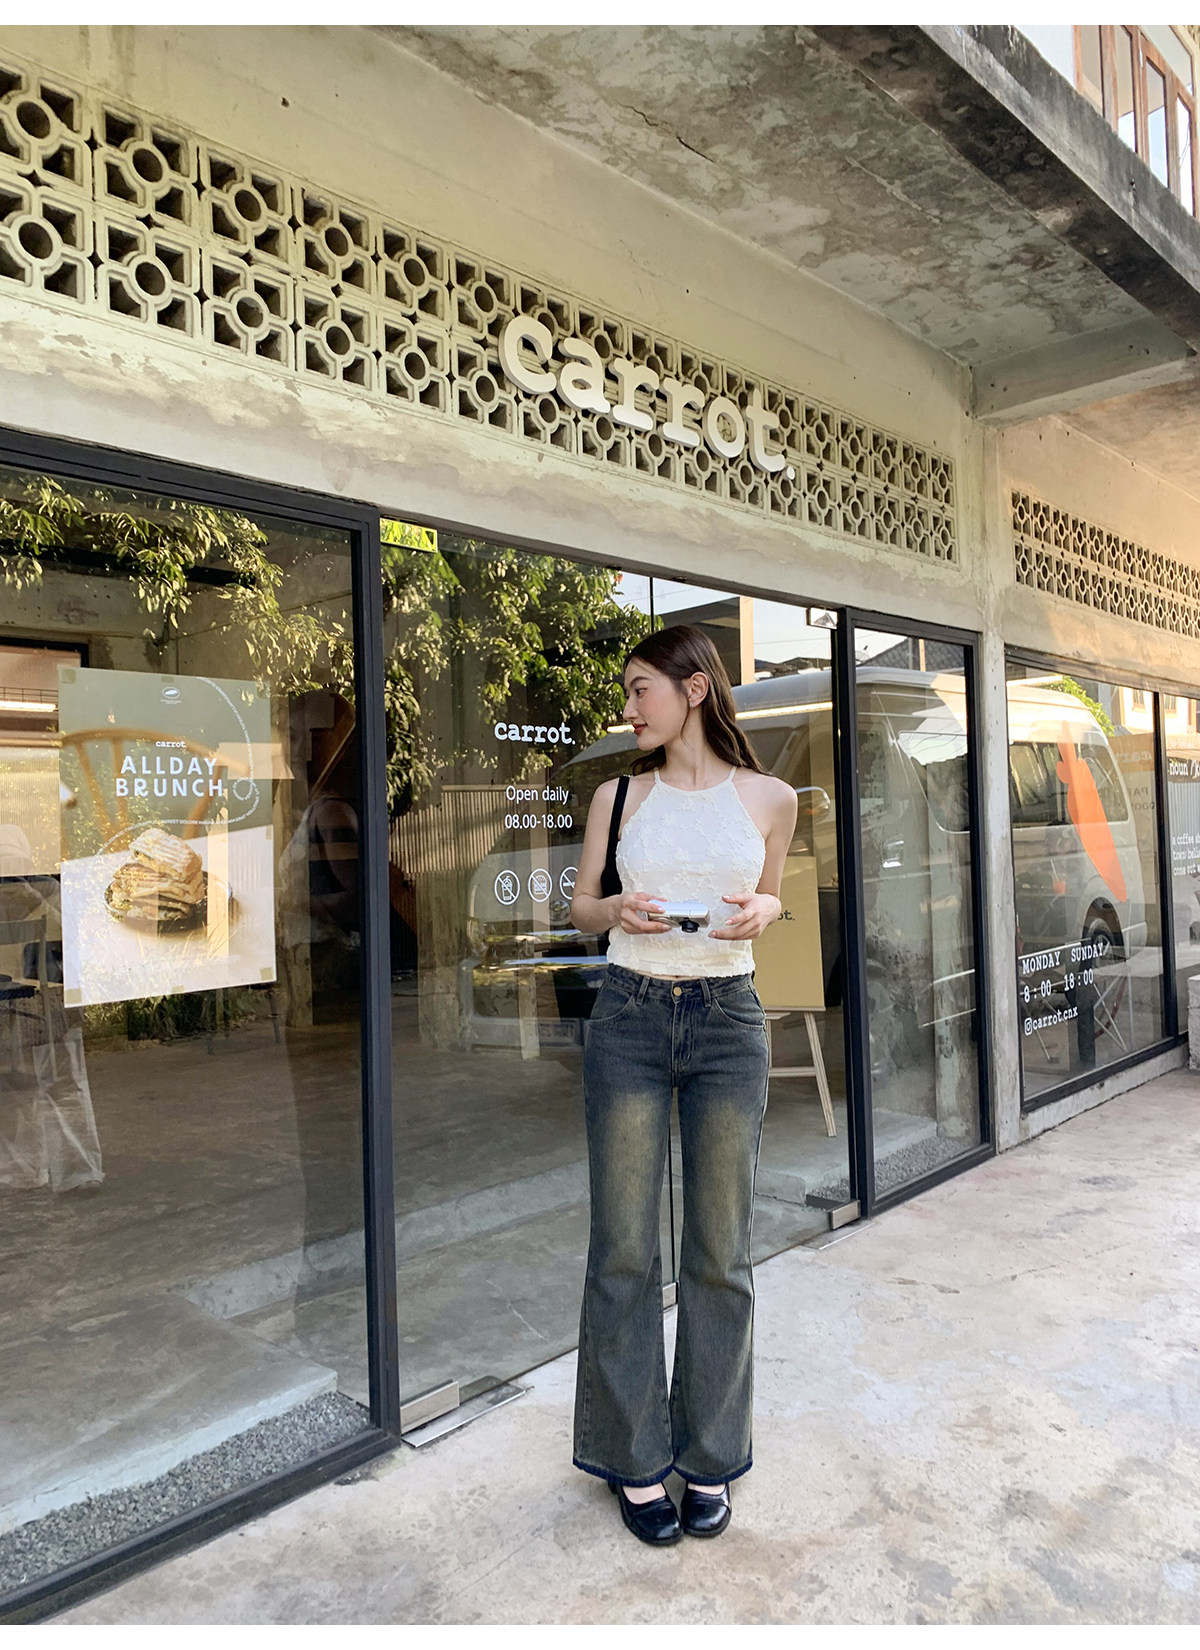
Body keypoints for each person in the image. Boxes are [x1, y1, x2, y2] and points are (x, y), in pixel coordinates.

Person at [569, 623, 798, 1545]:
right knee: (625, 1249)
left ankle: (710, 1455)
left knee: (719, 1249)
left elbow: (770, 895)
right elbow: (582, 910)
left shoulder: (771, 798)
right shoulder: (618, 795)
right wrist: (615, 909)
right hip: (629, 1016)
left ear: (694, 690)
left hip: (727, 1022)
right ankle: (632, 1460)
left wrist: (769, 906)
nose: (629, 707)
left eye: (640, 689)